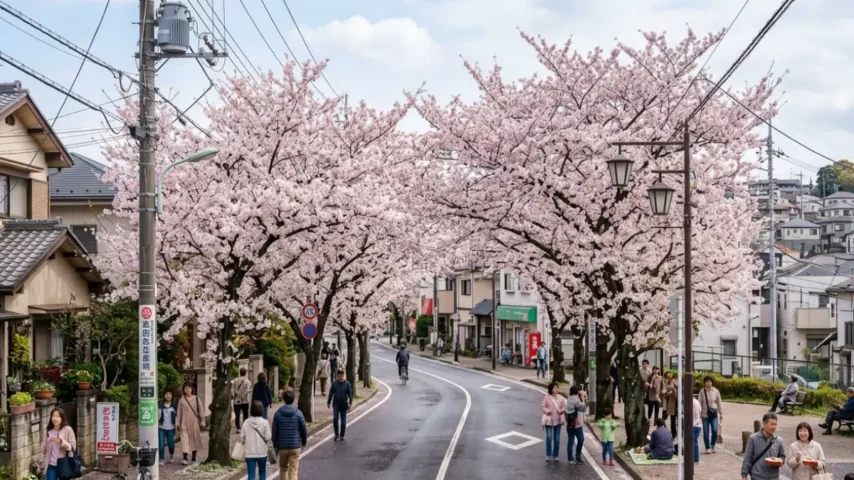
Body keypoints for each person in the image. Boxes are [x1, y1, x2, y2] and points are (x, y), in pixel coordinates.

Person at [273, 390, 307, 480]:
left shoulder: (278, 413)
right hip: (295, 446)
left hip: (282, 446)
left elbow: (274, 431)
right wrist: (304, 442)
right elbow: (303, 429)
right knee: (293, 470)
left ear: (284, 399)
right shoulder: (298, 413)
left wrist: (274, 445)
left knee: (283, 469)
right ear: (293, 399)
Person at [741, 412, 785, 480]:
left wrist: (780, 461)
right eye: (772, 424)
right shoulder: (753, 438)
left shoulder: (779, 440)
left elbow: (782, 456)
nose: (774, 427)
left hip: (773, 477)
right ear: (764, 424)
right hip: (757, 477)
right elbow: (747, 458)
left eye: (775, 424)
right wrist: (744, 475)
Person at [41, 408, 76, 480]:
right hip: (51, 465)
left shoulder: (68, 430)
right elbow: (43, 448)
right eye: (53, 416)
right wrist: (42, 461)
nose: (55, 418)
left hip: (64, 464)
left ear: (62, 418)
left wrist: (63, 443)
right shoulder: (49, 431)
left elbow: (73, 447)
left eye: (58, 416)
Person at [242, 401, 272, 480]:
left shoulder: (246, 422)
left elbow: (242, 438)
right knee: (262, 472)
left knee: (251, 474)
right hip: (262, 452)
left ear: (251, 410)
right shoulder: (265, 422)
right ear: (262, 410)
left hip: (249, 453)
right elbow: (268, 437)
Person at [176, 382, 204, 465]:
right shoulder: (181, 400)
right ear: (183, 390)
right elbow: (179, 412)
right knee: (184, 440)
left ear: (192, 389)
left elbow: (201, 410)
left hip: (194, 421)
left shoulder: (196, 398)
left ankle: (194, 456)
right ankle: (185, 457)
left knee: (194, 438)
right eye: (185, 388)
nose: (187, 390)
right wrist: (177, 423)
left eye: (189, 388)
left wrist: (202, 421)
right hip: (184, 421)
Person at [541, 382, 566, 462]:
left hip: (558, 420)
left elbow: (564, 407)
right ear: (551, 389)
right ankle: (548, 455)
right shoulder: (547, 397)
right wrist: (547, 411)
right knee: (549, 437)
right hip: (549, 420)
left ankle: (555, 455)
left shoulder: (561, 398)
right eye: (554, 388)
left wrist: (561, 410)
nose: (556, 389)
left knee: (557, 438)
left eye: (557, 388)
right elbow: (543, 406)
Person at [699, 375, 723, 454]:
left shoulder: (716, 391)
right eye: (707, 381)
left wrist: (721, 413)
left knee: (715, 430)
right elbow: (699, 403)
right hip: (705, 414)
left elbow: (719, 402)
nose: (708, 383)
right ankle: (707, 447)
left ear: (712, 382)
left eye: (710, 381)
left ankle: (713, 445)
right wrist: (699, 413)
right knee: (706, 431)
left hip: (713, 414)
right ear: (705, 383)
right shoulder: (702, 391)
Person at [327, 370, 353, 441]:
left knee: (343, 421)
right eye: (339, 376)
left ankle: (342, 435)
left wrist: (350, 402)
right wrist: (328, 402)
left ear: (343, 376)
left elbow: (350, 393)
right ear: (337, 376)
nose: (340, 377)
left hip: (344, 404)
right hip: (336, 404)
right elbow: (331, 393)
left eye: (341, 376)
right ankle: (336, 434)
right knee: (335, 419)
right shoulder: (334, 384)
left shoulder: (347, 384)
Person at [565, 386, 587, 465]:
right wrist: (583, 397)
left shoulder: (569, 399)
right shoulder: (576, 400)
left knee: (570, 441)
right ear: (577, 392)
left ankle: (570, 458)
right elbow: (584, 408)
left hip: (569, 424)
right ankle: (578, 456)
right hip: (577, 425)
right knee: (581, 439)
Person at [158, 390, 177, 464]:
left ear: (172, 396)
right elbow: (157, 415)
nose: (168, 396)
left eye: (170, 394)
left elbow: (177, 416)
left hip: (171, 428)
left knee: (171, 444)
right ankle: (161, 458)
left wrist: (177, 425)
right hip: (161, 427)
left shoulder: (174, 405)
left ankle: (171, 455)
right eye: (166, 394)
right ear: (164, 395)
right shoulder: (160, 404)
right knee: (161, 443)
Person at [233, 368, 252, 433]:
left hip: (237, 400)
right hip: (245, 400)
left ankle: (238, 428)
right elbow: (247, 391)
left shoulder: (235, 380)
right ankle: (244, 427)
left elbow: (232, 389)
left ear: (239, 372)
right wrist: (243, 396)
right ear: (245, 373)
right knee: (245, 414)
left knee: (237, 415)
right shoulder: (248, 382)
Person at [692, 395, 702, 464]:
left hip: (695, 425)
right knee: (693, 441)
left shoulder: (693, 402)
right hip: (696, 424)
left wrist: (693, 424)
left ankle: (696, 458)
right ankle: (694, 457)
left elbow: (696, 414)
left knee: (694, 441)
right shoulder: (695, 402)